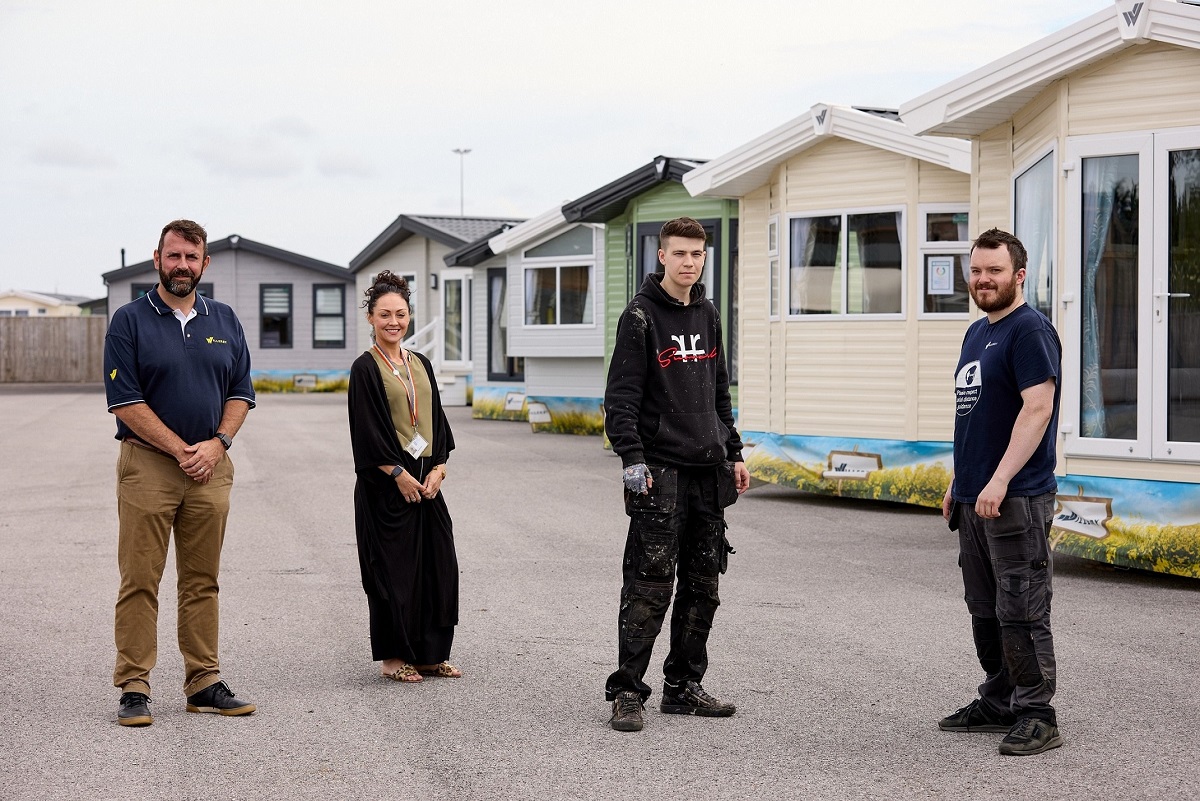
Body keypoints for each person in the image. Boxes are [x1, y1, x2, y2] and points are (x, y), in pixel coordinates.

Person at [104, 219, 256, 726]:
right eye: (174, 257)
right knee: (140, 579)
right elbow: (126, 401)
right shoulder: (129, 320)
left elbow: (240, 393)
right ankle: (134, 685)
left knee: (201, 580)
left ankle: (204, 681)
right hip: (148, 466)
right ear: (158, 259)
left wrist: (217, 445)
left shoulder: (226, 319)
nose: (183, 266)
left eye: (192, 258)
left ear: (205, 263)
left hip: (211, 468)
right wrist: (179, 449)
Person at [603, 216, 750, 732]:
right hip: (658, 473)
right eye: (680, 254)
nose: (690, 262)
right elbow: (620, 399)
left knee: (703, 586)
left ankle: (683, 686)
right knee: (649, 585)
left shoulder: (708, 313)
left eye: (697, 254)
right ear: (661, 256)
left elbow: (719, 392)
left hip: (708, 473)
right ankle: (627, 691)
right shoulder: (640, 317)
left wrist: (733, 452)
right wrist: (632, 459)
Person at [940, 228, 1063, 756]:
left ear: (1019, 275)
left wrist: (998, 481)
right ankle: (999, 699)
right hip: (974, 497)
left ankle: (1037, 714)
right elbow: (975, 416)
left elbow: (1038, 408)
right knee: (984, 608)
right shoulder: (975, 333)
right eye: (976, 270)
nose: (983, 279)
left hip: (1016, 497)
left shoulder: (1029, 330)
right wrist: (959, 484)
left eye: (994, 271)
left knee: (1022, 608)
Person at [347, 270, 461, 684]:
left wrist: (440, 466)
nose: (393, 322)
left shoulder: (420, 363)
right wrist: (396, 472)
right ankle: (395, 657)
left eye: (400, 314)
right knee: (393, 572)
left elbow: (437, 422)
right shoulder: (365, 368)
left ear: (409, 315)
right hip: (385, 483)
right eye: (384, 315)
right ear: (371, 319)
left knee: (438, 566)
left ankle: (431, 654)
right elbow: (366, 430)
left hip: (426, 478)